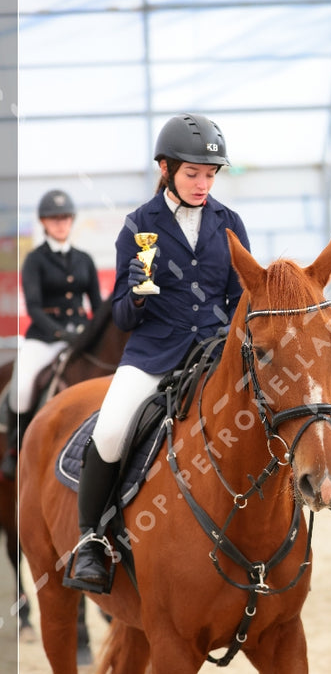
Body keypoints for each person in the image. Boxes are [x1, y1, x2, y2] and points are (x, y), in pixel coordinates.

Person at [69, 112, 251, 591]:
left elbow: (240, 299)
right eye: (193, 173)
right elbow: (124, 318)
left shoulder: (229, 224)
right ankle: (91, 541)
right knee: (109, 431)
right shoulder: (138, 225)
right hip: (154, 351)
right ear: (167, 168)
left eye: (210, 174)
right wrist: (138, 293)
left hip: (214, 351)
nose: (202, 183)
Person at [1, 190, 101, 480]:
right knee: (22, 384)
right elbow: (34, 307)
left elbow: (96, 305)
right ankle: (13, 449)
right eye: (54, 219)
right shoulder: (35, 260)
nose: (60, 224)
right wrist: (60, 333)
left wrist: (90, 333)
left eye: (65, 218)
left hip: (81, 336)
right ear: (44, 222)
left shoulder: (84, 259)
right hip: (44, 338)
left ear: (71, 221)